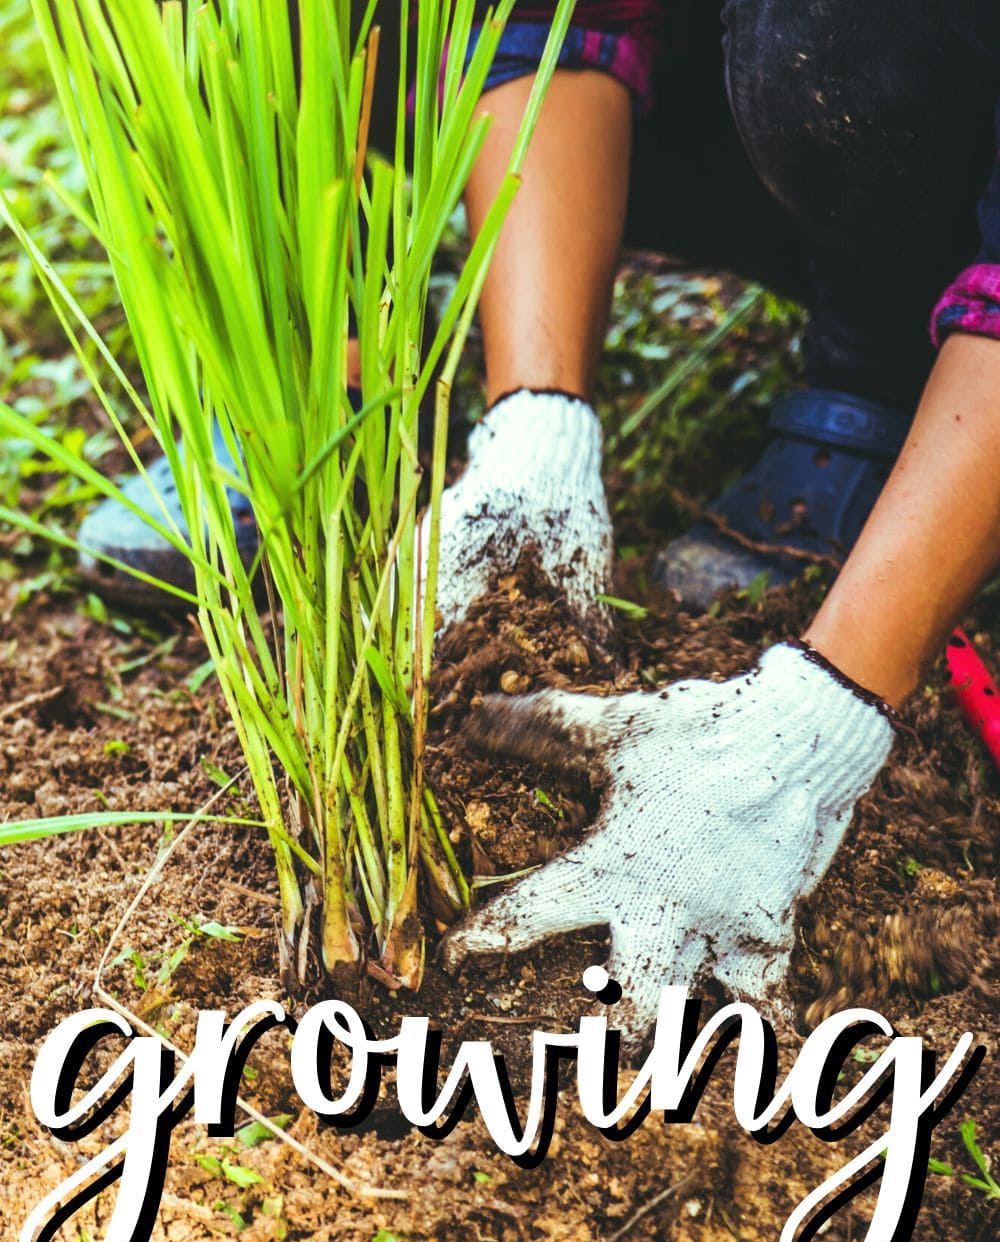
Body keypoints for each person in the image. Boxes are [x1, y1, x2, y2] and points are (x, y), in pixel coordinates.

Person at [79, 1, 1000, 1038]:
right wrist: (537, 427)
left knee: (841, 37)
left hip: (904, 108)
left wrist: (828, 709)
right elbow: (558, 15)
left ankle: (875, 371)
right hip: (730, 110)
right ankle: (317, 368)